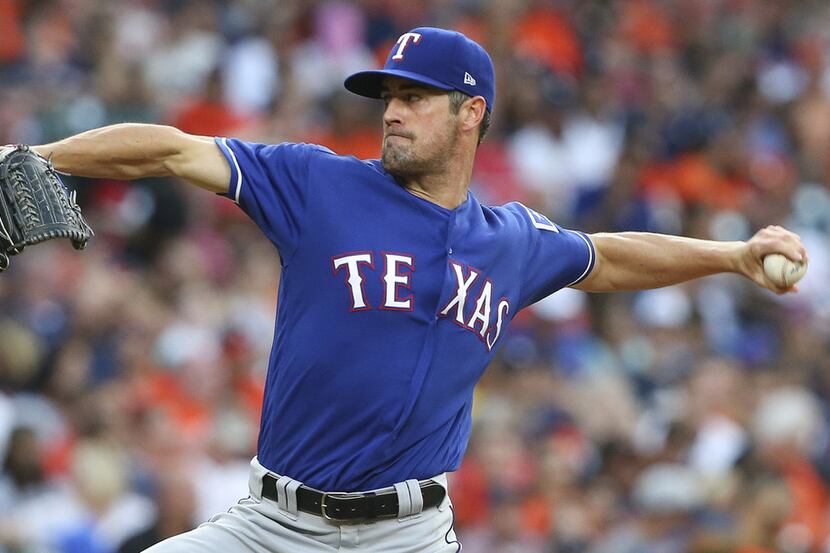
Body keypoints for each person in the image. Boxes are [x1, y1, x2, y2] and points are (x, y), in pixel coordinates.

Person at [25, 27, 806, 553]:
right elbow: (170, 152)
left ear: (471, 114)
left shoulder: (511, 241)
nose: (392, 112)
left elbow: (606, 258)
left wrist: (733, 254)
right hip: (269, 525)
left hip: (408, 534)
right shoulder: (318, 182)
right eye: (388, 96)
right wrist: (37, 153)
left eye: (415, 98)